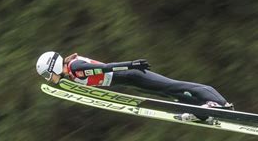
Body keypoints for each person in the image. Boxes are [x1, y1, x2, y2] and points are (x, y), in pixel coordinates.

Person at [36, 51, 233, 122]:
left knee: (175, 86)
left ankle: (219, 103)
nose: (48, 78)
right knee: (168, 93)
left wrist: (131, 65)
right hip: (131, 82)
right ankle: (201, 111)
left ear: (53, 66)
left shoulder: (76, 68)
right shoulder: (72, 73)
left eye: (47, 74)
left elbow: (105, 68)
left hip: (132, 75)